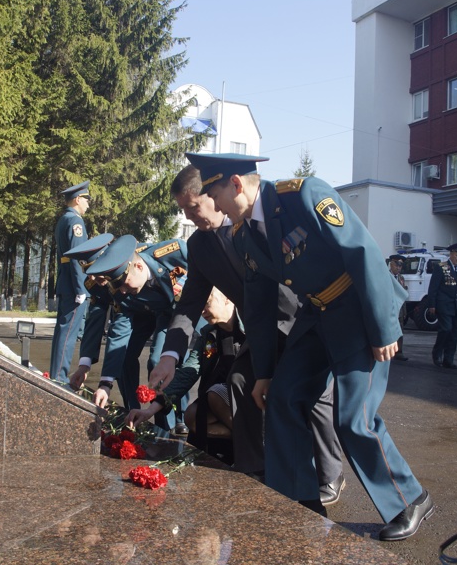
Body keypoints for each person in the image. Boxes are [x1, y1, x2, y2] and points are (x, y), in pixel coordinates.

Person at [191, 152, 432, 541]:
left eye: (214, 194)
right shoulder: (244, 235)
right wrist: (265, 372)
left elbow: (363, 252)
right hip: (317, 314)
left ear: (236, 184)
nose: (214, 205)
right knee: (282, 397)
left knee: (353, 417)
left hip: (359, 309)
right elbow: (259, 308)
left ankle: (409, 499)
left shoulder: (303, 196)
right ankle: (300, 499)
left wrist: (385, 326)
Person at [147, 165, 344, 506]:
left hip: (299, 320)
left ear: (213, 194)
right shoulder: (200, 246)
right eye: (184, 211)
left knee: (315, 395)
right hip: (259, 329)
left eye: (193, 207)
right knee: (240, 379)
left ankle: (330, 474)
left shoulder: (252, 222)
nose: (190, 216)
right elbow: (190, 303)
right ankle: (256, 467)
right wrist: (169, 356)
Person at [74, 234, 192, 433]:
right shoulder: (119, 286)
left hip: (174, 312)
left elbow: (203, 273)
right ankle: (134, 413)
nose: (95, 279)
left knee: (158, 361)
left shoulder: (170, 253)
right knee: (125, 358)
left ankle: (175, 421)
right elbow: (118, 332)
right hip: (143, 313)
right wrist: (105, 382)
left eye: (98, 272)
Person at [126, 287, 240, 453]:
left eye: (207, 303)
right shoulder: (209, 334)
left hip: (251, 401)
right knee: (192, 416)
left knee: (215, 393)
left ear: (227, 298)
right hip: (223, 403)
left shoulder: (251, 327)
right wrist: (150, 411)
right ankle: (252, 438)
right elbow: (188, 372)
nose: (202, 311)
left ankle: (259, 441)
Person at [49, 180, 92, 384]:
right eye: (86, 199)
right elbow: (77, 257)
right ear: (77, 199)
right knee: (68, 333)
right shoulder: (75, 222)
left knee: (62, 330)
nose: (88, 204)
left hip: (66, 282)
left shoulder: (63, 219)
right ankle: (59, 377)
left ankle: (56, 373)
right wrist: (81, 287)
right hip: (74, 284)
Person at [427, 242, 457, 369]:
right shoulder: (441, 267)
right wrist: (432, 304)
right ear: (451, 254)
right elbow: (433, 288)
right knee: (446, 329)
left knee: (454, 333)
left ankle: (448, 359)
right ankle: (437, 353)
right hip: (444, 305)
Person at [387, 254, 409, 361]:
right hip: (388, 308)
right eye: (396, 265)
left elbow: (403, 295)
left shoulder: (401, 278)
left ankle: (399, 351)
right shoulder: (385, 276)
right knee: (388, 330)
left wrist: (404, 312)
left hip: (399, 310)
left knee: (400, 330)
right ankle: (388, 351)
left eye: (400, 266)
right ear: (391, 264)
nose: (398, 268)